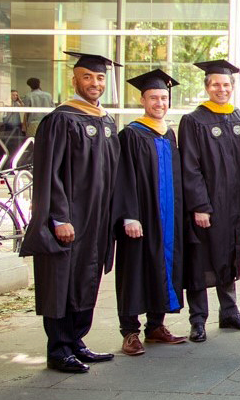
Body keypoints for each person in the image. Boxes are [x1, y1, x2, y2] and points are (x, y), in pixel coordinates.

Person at [20, 51, 122, 373]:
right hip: (71, 218)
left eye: (100, 77)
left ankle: (77, 340)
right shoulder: (61, 119)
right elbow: (49, 173)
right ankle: (59, 348)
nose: (95, 83)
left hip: (97, 218)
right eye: (88, 77)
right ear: (74, 79)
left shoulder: (106, 121)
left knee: (87, 277)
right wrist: (58, 218)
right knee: (63, 280)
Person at [179, 59, 240, 342]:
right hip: (208, 206)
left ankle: (229, 312)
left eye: (226, 85)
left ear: (232, 87)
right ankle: (198, 319)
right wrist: (199, 205)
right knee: (201, 261)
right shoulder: (193, 121)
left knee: (228, 255)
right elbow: (190, 166)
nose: (221, 89)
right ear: (207, 86)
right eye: (216, 84)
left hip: (235, 206)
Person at [113, 69, 188, 356]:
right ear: (142, 99)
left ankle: (156, 326)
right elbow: (124, 176)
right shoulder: (131, 134)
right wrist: (129, 215)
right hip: (141, 217)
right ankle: (129, 331)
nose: (159, 103)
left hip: (168, 217)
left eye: (164, 98)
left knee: (164, 265)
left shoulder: (169, 133)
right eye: (154, 97)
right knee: (134, 270)